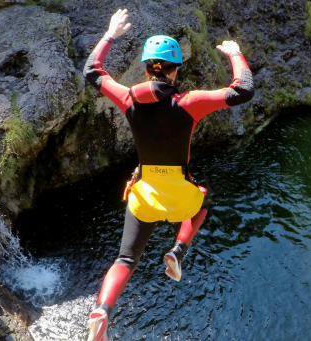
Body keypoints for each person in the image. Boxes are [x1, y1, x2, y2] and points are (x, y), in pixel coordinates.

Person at [83, 8, 254, 341]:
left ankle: (102, 312)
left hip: (144, 195)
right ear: (175, 71)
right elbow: (242, 89)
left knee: (125, 258)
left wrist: (110, 34)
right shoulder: (189, 103)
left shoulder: (127, 98)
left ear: (147, 68)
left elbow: (91, 71)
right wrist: (235, 53)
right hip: (181, 198)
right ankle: (177, 251)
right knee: (204, 199)